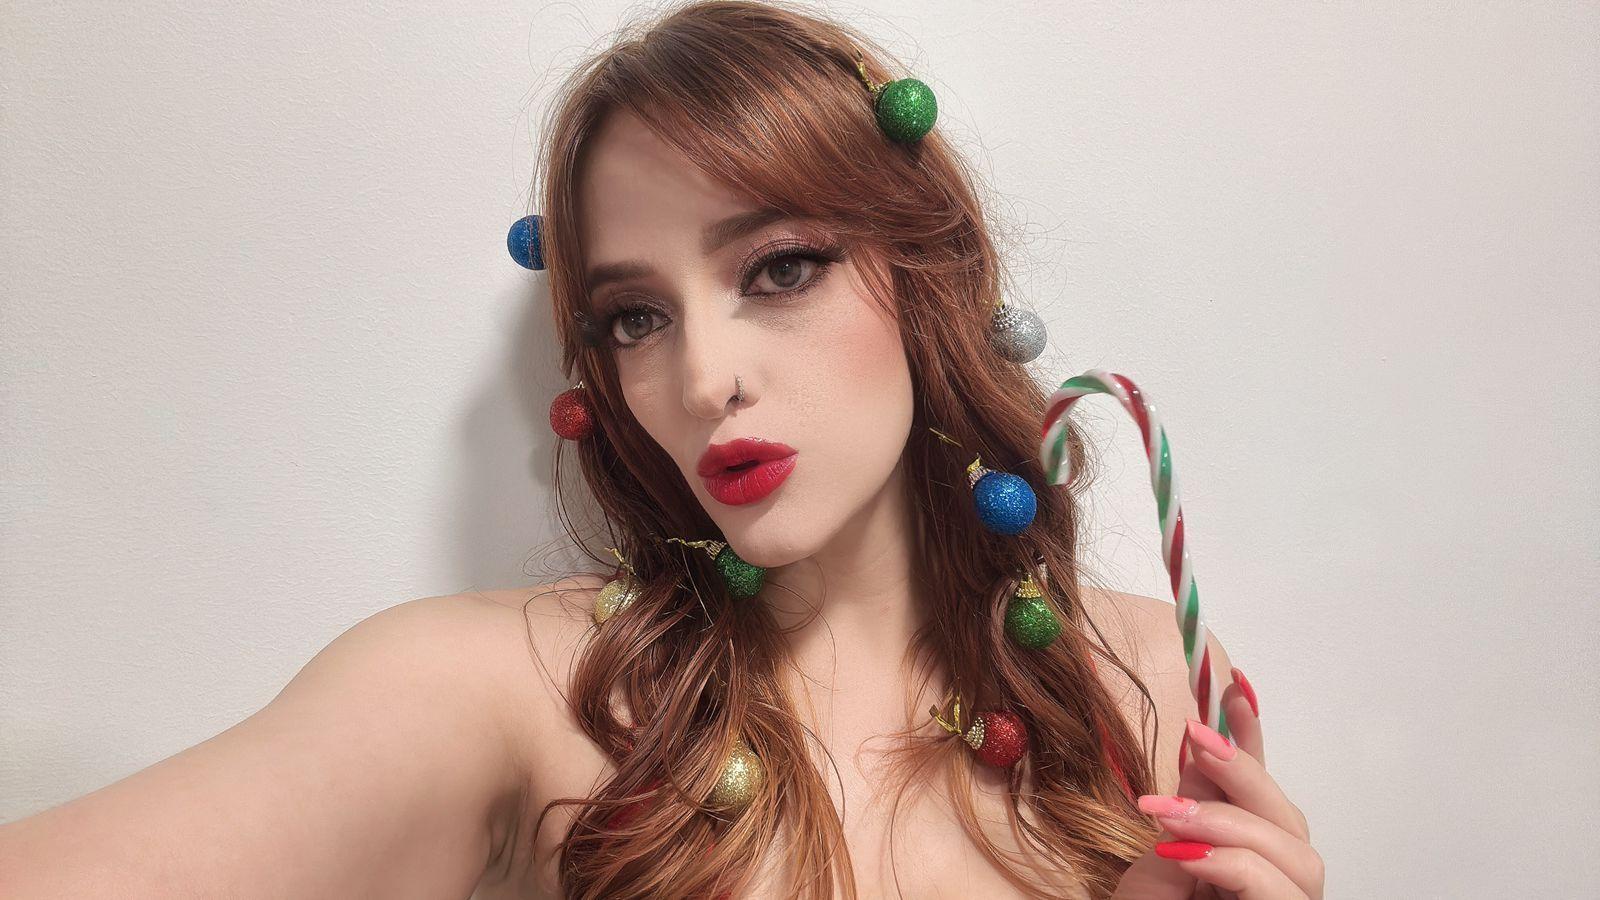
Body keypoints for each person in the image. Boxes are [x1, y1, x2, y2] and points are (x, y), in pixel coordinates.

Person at [0, 2, 1322, 897]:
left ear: (926, 279)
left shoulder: (1137, 680)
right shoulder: (519, 690)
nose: (699, 378)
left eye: (780, 267)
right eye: (635, 316)